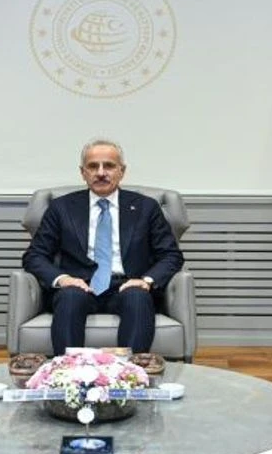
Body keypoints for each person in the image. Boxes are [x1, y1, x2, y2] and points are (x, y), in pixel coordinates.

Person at [22, 139, 185, 356]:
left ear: (121, 171)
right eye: (92, 166)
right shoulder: (61, 208)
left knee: (137, 297)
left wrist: (146, 281)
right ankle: (70, 370)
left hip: (127, 285)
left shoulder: (146, 207)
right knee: (70, 297)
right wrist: (63, 279)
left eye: (108, 166)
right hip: (79, 285)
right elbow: (34, 255)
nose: (100, 173)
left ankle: (129, 372)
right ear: (83, 172)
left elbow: (171, 255)